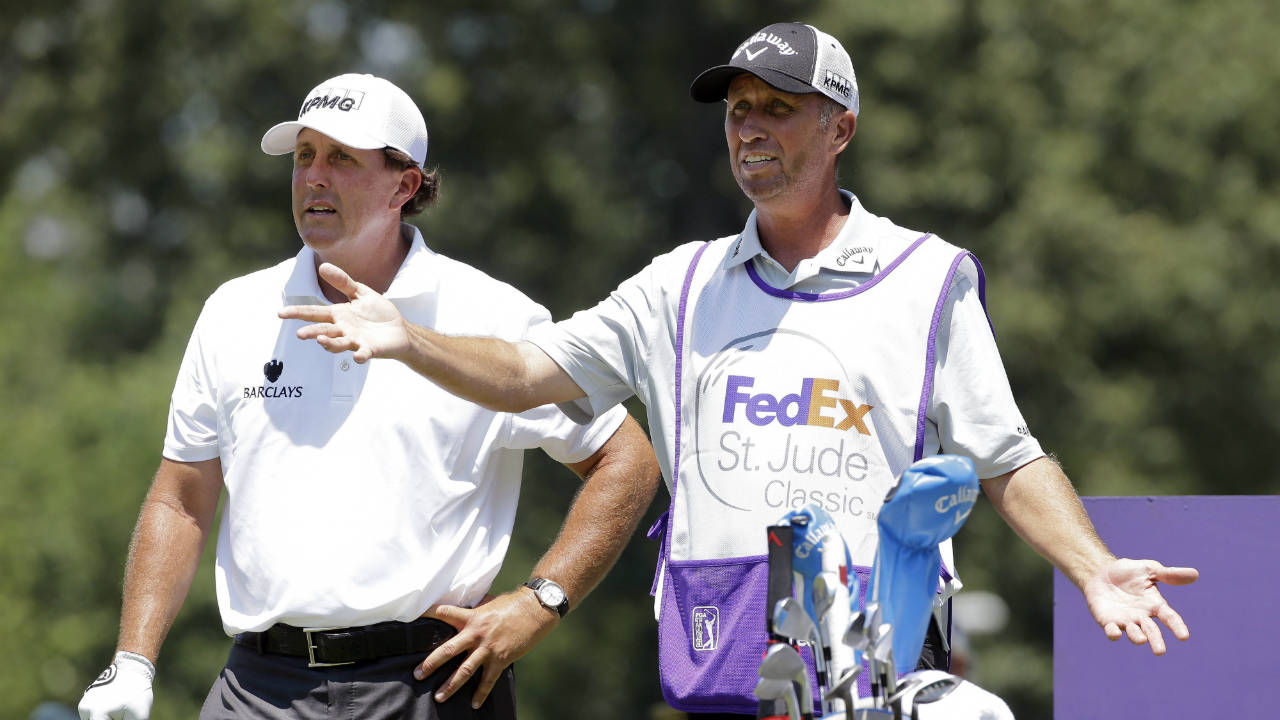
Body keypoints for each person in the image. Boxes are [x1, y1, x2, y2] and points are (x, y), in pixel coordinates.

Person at [279, 23, 1199, 716]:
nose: (750, 127)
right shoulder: (675, 285)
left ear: (840, 127)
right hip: (719, 649)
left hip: (871, 649)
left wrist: (1093, 568)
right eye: (739, 109)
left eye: (779, 107)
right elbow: (529, 370)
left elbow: (1005, 456)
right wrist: (408, 338)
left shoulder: (926, 276)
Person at [77, 72, 661, 720]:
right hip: (257, 689)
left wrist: (542, 600)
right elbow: (182, 499)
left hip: (432, 686)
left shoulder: (489, 313)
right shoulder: (234, 311)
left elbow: (627, 457)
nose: (313, 177)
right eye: (303, 156)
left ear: (404, 184)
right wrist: (133, 660)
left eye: (341, 159)